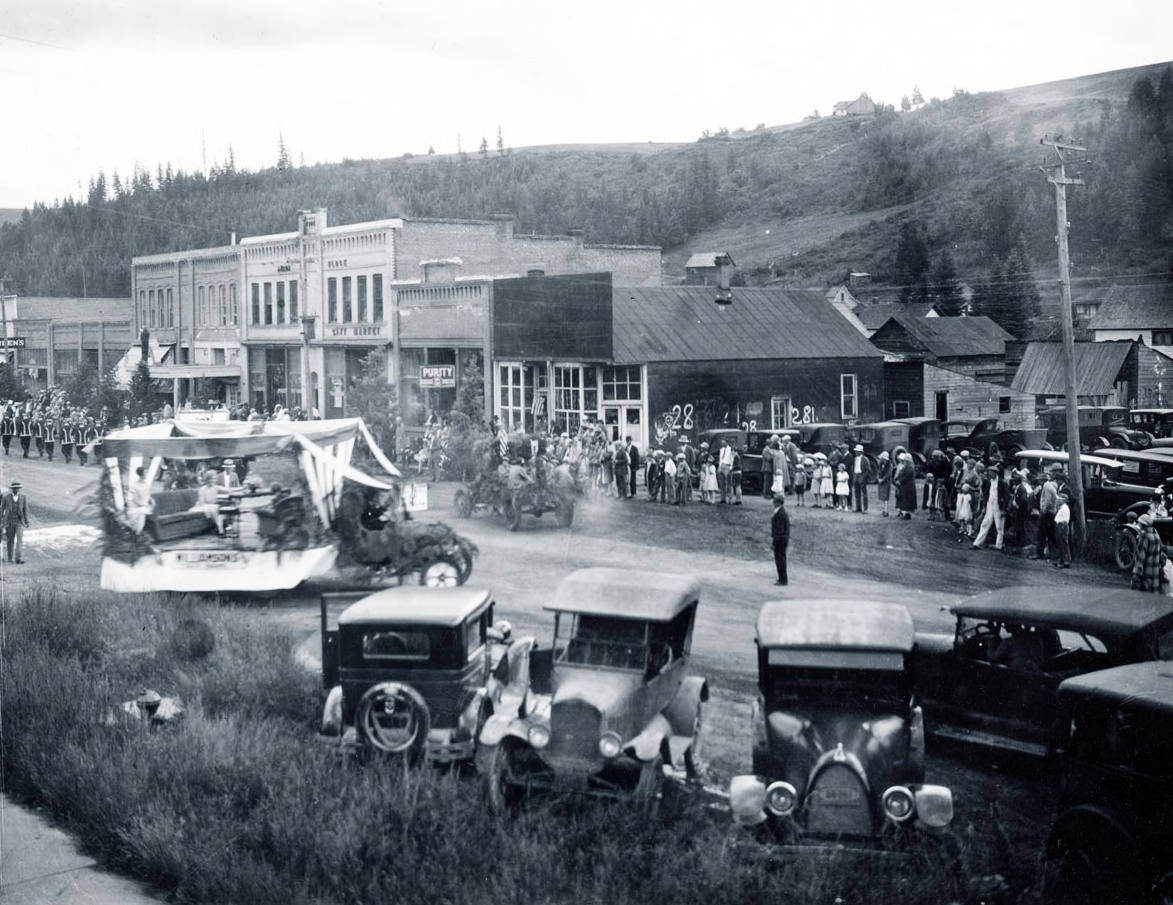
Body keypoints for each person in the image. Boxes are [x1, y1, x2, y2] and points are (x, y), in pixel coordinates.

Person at [973, 462, 1009, 551]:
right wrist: (985, 506)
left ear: (995, 473)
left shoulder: (1002, 483)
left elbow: (1006, 497)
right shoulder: (989, 482)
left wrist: (1004, 509)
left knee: (999, 526)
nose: (990, 474)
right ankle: (977, 543)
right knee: (985, 523)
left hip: (998, 506)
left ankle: (998, 545)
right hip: (990, 505)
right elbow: (986, 494)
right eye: (989, 472)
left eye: (991, 472)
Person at [1131, 513, 1167, 592]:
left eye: (1139, 523)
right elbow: (1162, 554)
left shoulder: (1144, 536)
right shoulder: (1157, 536)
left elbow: (1140, 558)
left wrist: (1136, 574)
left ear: (1143, 524)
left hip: (1145, 576)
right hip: (1155, 576)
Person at [1031, 466, 1060, 561]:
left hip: (1047, 513)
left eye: (1040, 480)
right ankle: (1053, 553)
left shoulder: (1046, 487)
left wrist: (1042, 511)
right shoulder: (1050, 486)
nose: (1039, 481)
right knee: (1050, 534)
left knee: (1042, 533)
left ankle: (1040, 553)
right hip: (1051, 513)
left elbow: (1047, 502)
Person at [0, 479, 29, 563]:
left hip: (20, 522)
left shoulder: (23, 497)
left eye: (17, 488)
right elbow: (1, 510)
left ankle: (18, 559)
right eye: (14, 488)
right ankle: (10, 558)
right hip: (9, 522)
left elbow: (25, 510)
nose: (16, 489)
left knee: (20, 540)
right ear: (12, 489)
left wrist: (27, 522)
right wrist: (1, 522)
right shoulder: (6, 497)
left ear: (19, 489)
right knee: (10, 540)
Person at [770, 494, 790, 586]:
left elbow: (779, 530)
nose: (773, 503)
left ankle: (783, 579)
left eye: (775, 501)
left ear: (778, 503)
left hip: (780, 539)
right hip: (782, 538)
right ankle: (782, 578)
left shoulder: (780, 514)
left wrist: (774, 542)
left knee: (780, 559)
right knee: (781, 559)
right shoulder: (781, 512)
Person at [849, 444, 872, 513]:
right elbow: (854, 468)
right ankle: (858, 507)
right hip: (856, 476)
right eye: (856, 451)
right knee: (857, 493)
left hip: (861, 476)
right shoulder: (855, 459)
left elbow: (868, 470)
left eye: (857, 451)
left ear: (861, 452)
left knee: (864, 493)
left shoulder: (865, 459)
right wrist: (854, 476)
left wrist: (863, 477)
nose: (856, 452)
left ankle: (865, 509)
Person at [894, 452, 917, 520]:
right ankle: (905, 513)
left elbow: (906, 476)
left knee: (907, 500)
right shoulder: (908, 465)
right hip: (906, 485)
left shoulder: (910, 466)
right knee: (905, 499)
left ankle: (907, 515)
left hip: (908, 486)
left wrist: (900, 481)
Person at [1053, 493, 1072, 569]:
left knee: (1064, 543)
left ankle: (1066, 561)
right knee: (1060, 543)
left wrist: (1060, 527)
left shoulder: (1064, 508)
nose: (1057, 500)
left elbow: (1064, 520)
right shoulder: (1061, 508)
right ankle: (1061, 560)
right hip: (1059, 525)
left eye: (1059, 499)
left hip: (1062, 525)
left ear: (1063, 500)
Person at [876, 451, 893, 517]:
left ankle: (886, 511)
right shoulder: (881, 463)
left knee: (886, 497)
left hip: (886, 482)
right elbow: (878, 471)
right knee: (883, 497)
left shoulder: (889, 465)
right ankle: (884, 510)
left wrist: (882, 480)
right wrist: (878, 478)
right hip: (881, 482)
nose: (881, 459)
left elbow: (889, 474)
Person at [717, 439, 734, 504]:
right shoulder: (721, 450)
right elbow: (720, 459)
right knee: (722, 484)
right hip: (722, 465)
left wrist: (730, 467)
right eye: (722, 443)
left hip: (727, 465)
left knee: (729, 483)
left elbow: (732, 458)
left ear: (727, 442)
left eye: (723, 442)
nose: (722, 444)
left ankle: (730, 498)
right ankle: (723, 498)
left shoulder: (730, 449)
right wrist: (719, 467)